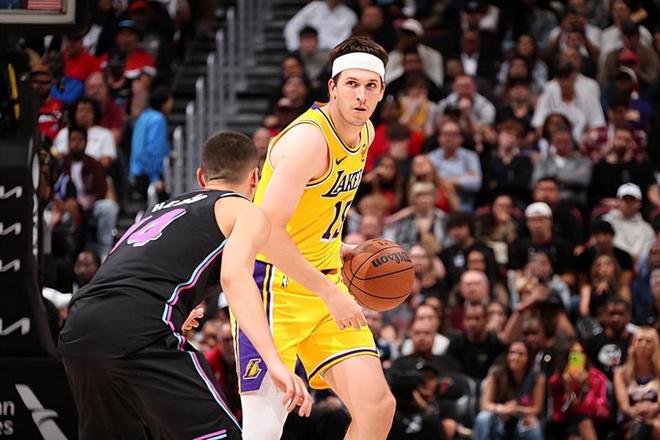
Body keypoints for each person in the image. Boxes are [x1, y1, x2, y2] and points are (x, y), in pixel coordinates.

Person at [58, 132, 312, 440]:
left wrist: (180, 307)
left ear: (201, 177)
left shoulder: (160, 209)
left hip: (79, 327)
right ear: (255, 178)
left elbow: (131, 269)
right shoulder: (245, 210)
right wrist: (274, 362)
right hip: (139, 329)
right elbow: (235, 278)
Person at [242, 37, 396, 440]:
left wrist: (338, 248)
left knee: (377, 407)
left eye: (370, 86)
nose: (361, 95)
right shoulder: (307, 141)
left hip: (322, 279)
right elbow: (265, 233)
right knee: (263, 431)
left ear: (381, 91)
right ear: (332, 87)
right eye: (351, 84)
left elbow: (317, 212)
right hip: (272, 286)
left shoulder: (364, 132)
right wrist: (331, 294)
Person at [473, 340, 545, 440]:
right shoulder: (496, 373)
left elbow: (537, 408)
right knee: (483, 418)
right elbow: (485, 404)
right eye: (512, 352)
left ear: (529, 357)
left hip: (522, 416)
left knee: (533, 424)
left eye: (521, 354)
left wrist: (516, 409)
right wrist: (503, 409)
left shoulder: (537, 378)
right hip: (499, 416)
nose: (515, 357)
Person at [613, 327, 660, 439]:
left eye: (648, 341)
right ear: (633, 344)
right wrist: (637, 412)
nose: (643, 344)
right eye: (639, 340)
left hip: (656, 416)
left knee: (656, 426)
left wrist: (653, 408)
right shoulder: (621, 373)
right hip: (630, 418)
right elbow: (624, 406)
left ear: (655, 346)